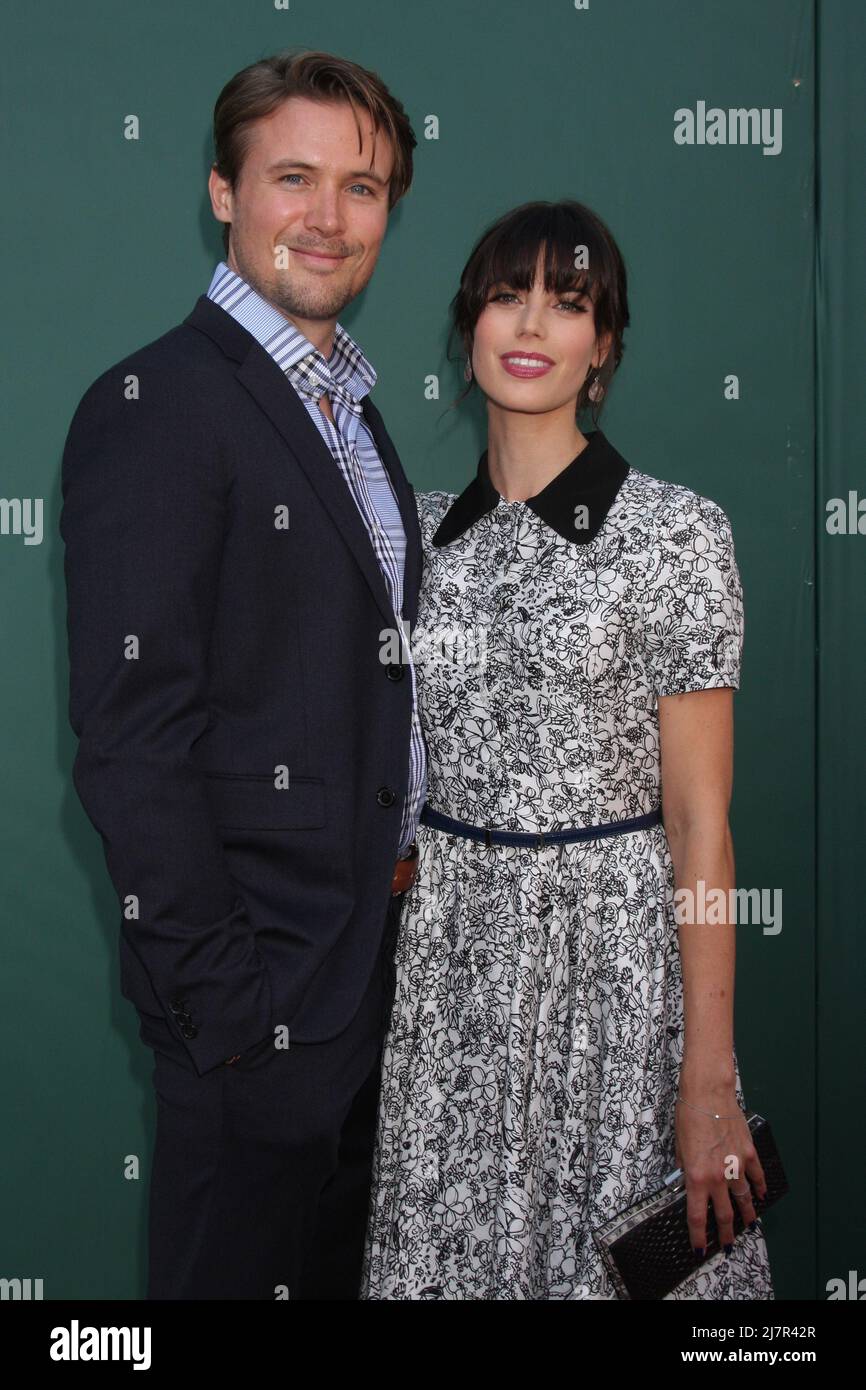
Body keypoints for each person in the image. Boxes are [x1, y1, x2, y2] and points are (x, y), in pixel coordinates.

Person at [60, 48, 426, 1300]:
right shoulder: (161, 401)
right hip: (256, 1012)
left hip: (372, 992)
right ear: (222, 192)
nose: (327, 218)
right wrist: (230, 1013)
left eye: (363, 186)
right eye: (292, 178)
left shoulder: (356, 419)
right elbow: (130, 739)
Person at [362, 199, 775, 1299]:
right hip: (452, 979)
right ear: (468, 327)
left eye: (569, 300)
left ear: (603, 348)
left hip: (616, 981)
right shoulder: (410, 535)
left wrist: (707, 1076)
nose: (532, 320)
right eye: (507, 293)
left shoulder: (675, 532)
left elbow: (699, 829)